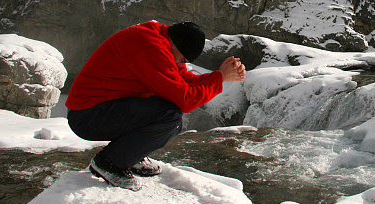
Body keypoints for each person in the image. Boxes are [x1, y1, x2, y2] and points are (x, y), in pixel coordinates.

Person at [66, 20, 246, 190]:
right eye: (182, 60)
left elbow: (182, 80)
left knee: (165, 110)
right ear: (176, 46)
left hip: (100, 107)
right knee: (170, 117)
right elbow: (184, 100)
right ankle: (110, 163)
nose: (180, 64)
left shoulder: (162, 40)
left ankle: (129, 156)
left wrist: (218, 76)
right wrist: (220, 78)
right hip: (87, 115)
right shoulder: (151, 47)